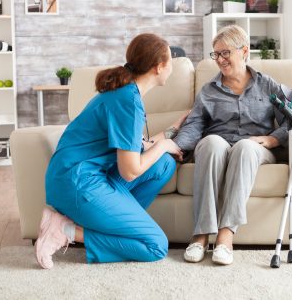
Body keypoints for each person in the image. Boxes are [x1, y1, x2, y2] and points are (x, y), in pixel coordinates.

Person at [35, 33, 188, 269]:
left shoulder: (126, 93)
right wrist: (164, 146)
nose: (172, 67)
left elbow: (138, 144)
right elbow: (130, 171)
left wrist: (173, 132)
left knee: (164, 164)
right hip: (76, 182)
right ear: (159, 67)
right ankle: (65, 230)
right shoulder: (127, 101)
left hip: (84, 176)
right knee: (155, 245)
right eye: (171, 62)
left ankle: (113, 224)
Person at [174, 25, 288, 266]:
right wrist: (177, 148)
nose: (220, 60)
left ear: (244, 51)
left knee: (245, 147)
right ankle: (201, 235)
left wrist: (272, 139)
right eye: (216, 54)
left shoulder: (267, 85)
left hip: (256, 148)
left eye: (226, 53)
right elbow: (194, 125)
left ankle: (226, 235)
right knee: (211, 143)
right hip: (220, 144)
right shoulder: (208, 91)